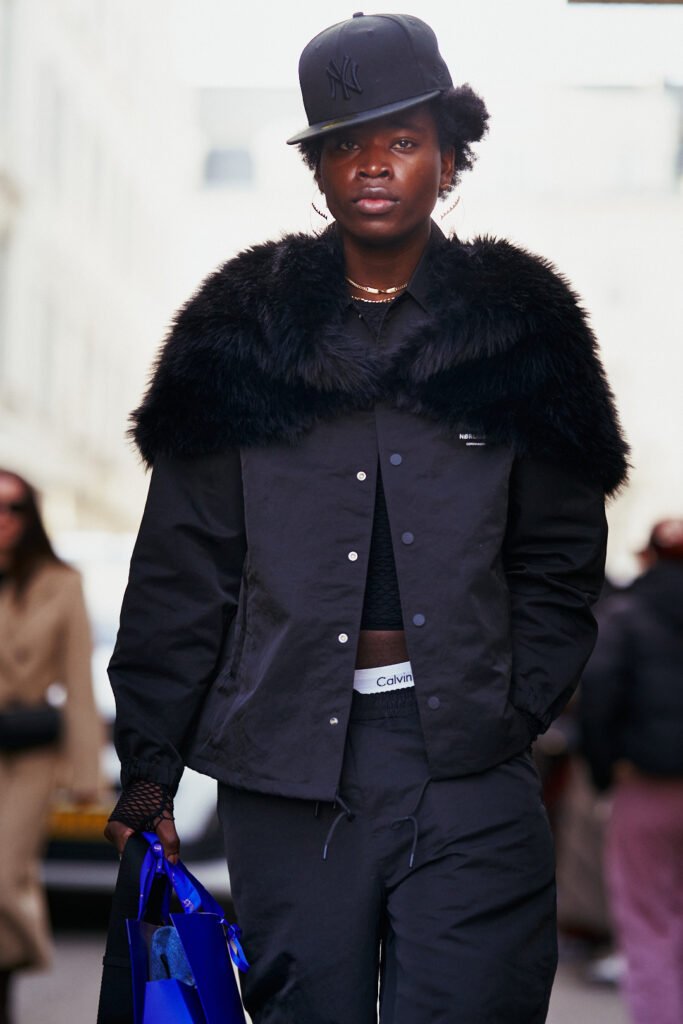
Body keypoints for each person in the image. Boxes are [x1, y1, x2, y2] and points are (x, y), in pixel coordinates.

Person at [105, 13, 629, 1022]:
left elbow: (560, 559)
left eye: (401, 139)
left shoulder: (523, 325)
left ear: (448, 156)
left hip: (467, 763)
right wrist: (148, 773)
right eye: (345, 144)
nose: (373, 164)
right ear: (317, 169)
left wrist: (509, 707)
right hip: (286, 765)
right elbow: (180, 572)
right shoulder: (239, 328)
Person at [0, 469, 101, 1024]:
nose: (2, 519)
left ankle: (17, 958)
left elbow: (79, 683)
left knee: (3, 877)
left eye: (13, 507)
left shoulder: (61, 582)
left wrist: (87, 775)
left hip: (29, 756)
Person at [581, 520, 683, 1024]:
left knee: (647, 923)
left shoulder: (626, 614)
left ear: (649, 556)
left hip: (645, 787)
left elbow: (599, 694)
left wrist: (604, 772)